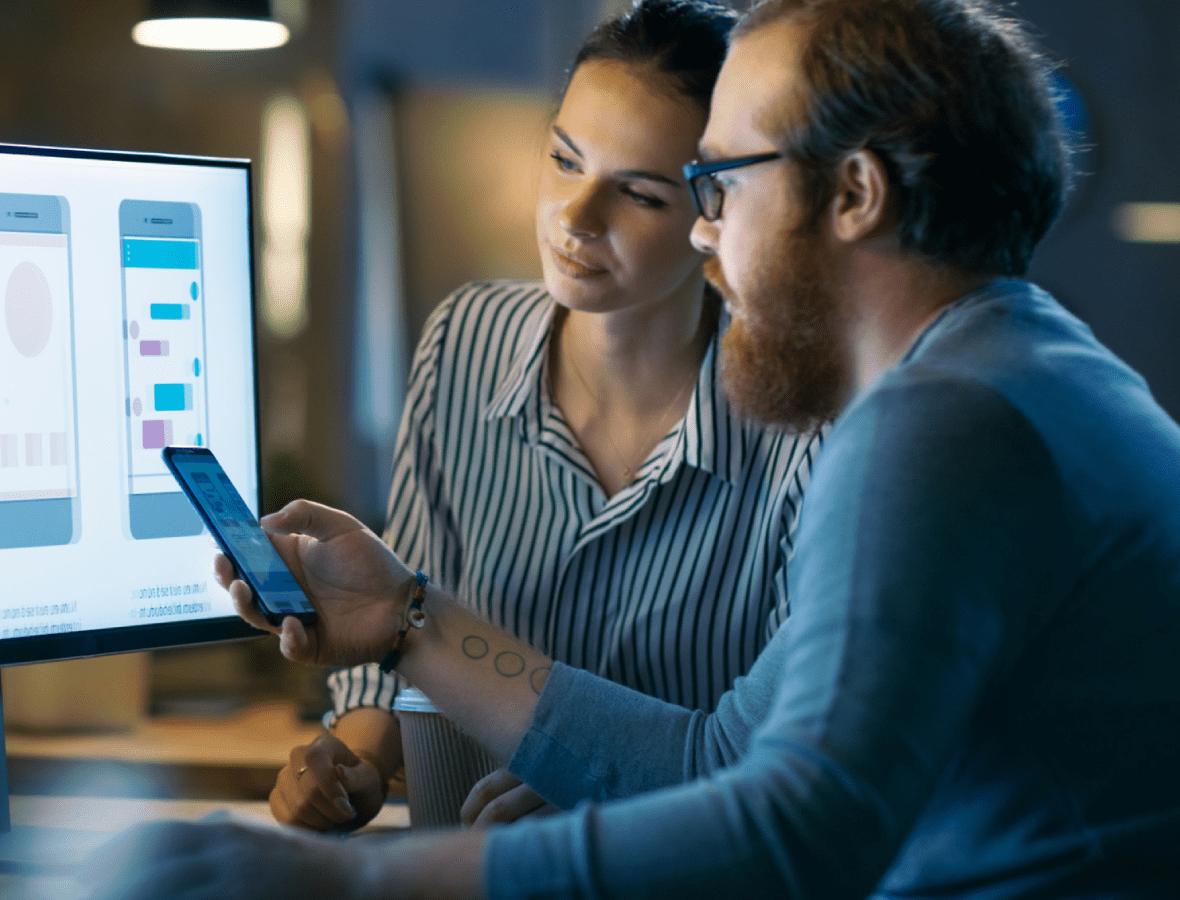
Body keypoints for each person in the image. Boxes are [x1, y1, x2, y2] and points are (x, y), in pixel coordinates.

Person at [84, 0, 1180, 897]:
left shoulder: (941, 427)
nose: (705, 230)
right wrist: (407, 619)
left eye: (715, 183)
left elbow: (793, 839)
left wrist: (350, 887)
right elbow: (720, 764)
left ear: (853, 194)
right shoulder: (1029, 373)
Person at [277, 0, 823, 833]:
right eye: (566, 160)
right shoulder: (464, 341)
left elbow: (795, 759)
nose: (575, 218)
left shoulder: (800, 424)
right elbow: (400, 637)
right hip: (457, 869)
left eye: (636, 194)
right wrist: (351, 761)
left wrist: (620, 787)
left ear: (718, 216)